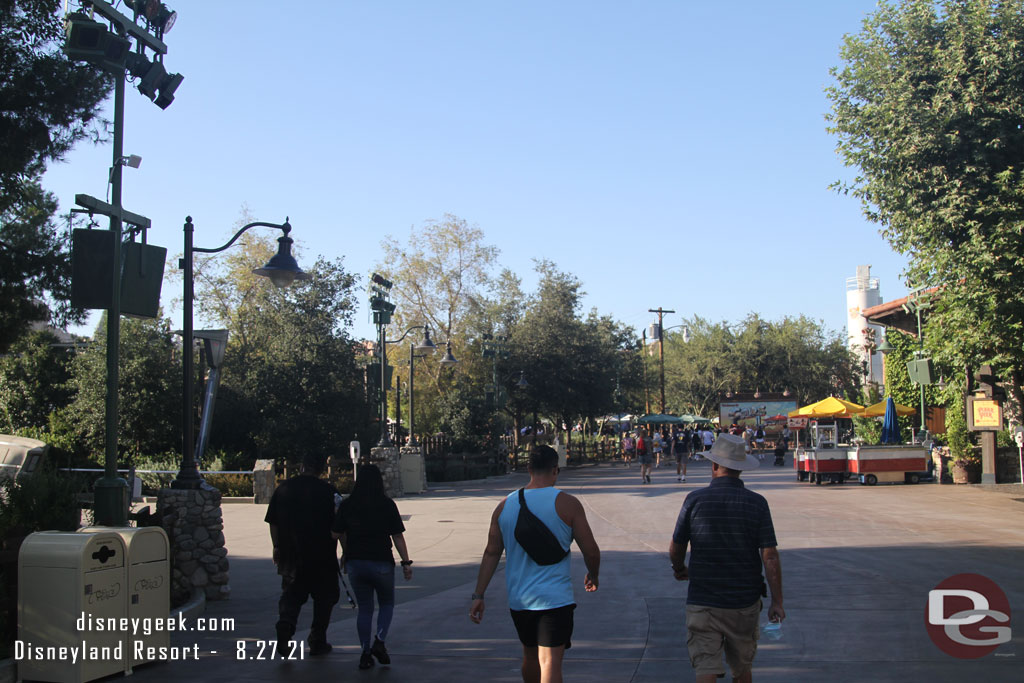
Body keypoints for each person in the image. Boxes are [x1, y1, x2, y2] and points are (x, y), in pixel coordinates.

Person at [469, 445, 600, 683]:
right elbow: (590, 550)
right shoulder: (568, 504)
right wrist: (593, 574)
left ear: (528, 469)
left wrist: (478, 594)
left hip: (520, 601)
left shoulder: (504, 506)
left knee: (529, 657)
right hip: (555, 599)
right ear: (555, 470)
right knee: (549, 662)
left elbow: (491, 553)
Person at [669, 434, 784, 683]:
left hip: (703, 600)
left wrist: (679, 568)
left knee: (705, 666)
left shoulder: (694, 500)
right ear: (740, 469)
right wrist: (777, 601)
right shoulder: (757, 504)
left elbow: (676, 546)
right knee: (742, 668)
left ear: (713, 466)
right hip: (743, 603)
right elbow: (770, 556)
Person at [332, 464, 414, 670]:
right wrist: (405, 562)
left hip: (356, 563)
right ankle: (380, 640)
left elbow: (335, 533)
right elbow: (397, 536)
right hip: (381, 562)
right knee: (386, 604)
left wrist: (345, 547)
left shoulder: (348, 505)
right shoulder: (387, 505)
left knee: (365, 609)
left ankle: (365, 653)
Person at [265, 453, 340, 656]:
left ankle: (286, 624)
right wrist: (346, 550)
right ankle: (317, 639)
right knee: (325, 598)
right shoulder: (329, 491)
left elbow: (273, 522)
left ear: (301, 467)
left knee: (291, 594)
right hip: (322, 554)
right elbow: (339, 524)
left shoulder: (284, 489)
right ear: (320, 471)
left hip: (291, 553)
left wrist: (277, 546)